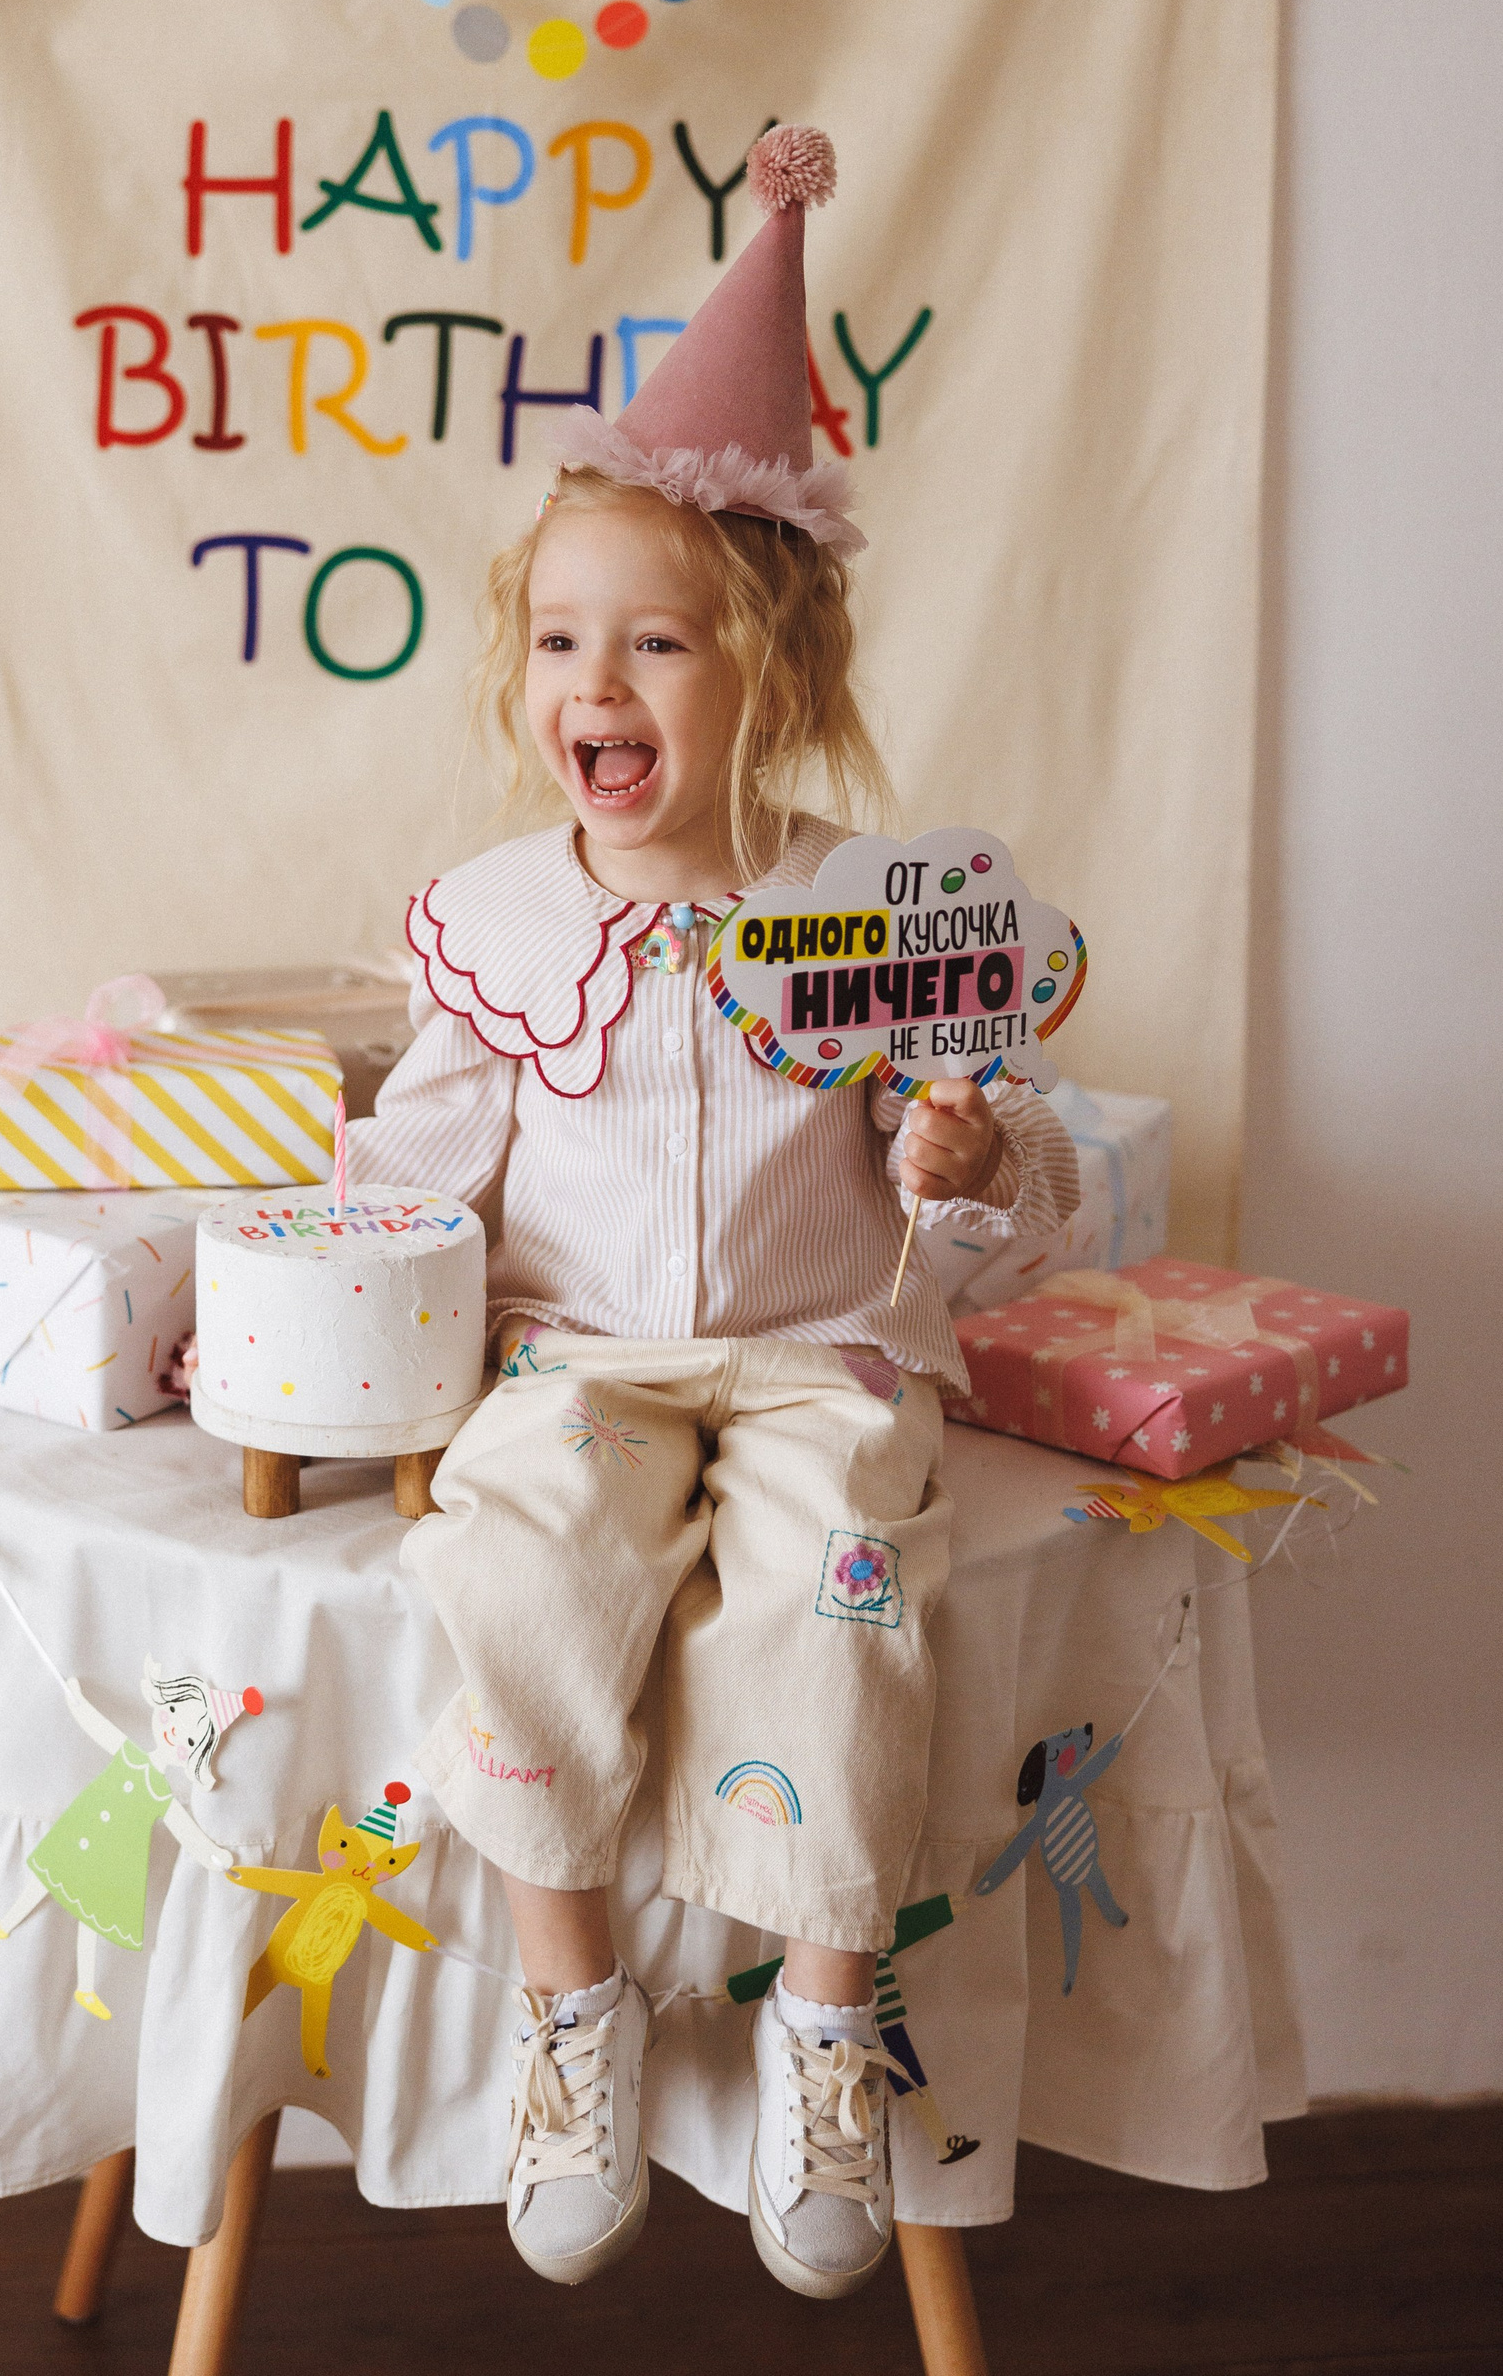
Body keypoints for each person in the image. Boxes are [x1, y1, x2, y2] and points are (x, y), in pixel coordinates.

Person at [334, 125, 1079, 2298]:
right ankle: (571, 2012)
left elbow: (1005, 1177)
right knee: (523, 1558)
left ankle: (829, 2031)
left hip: (816, 1353)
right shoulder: (498, 921)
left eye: (656, 644)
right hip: (578, 1358)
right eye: (564, 641)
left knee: (837, 1601)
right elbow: (420, 1164)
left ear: (774, 671)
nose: (597, 686)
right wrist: (303, 1307)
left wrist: (966, 1169)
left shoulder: (869, 910)